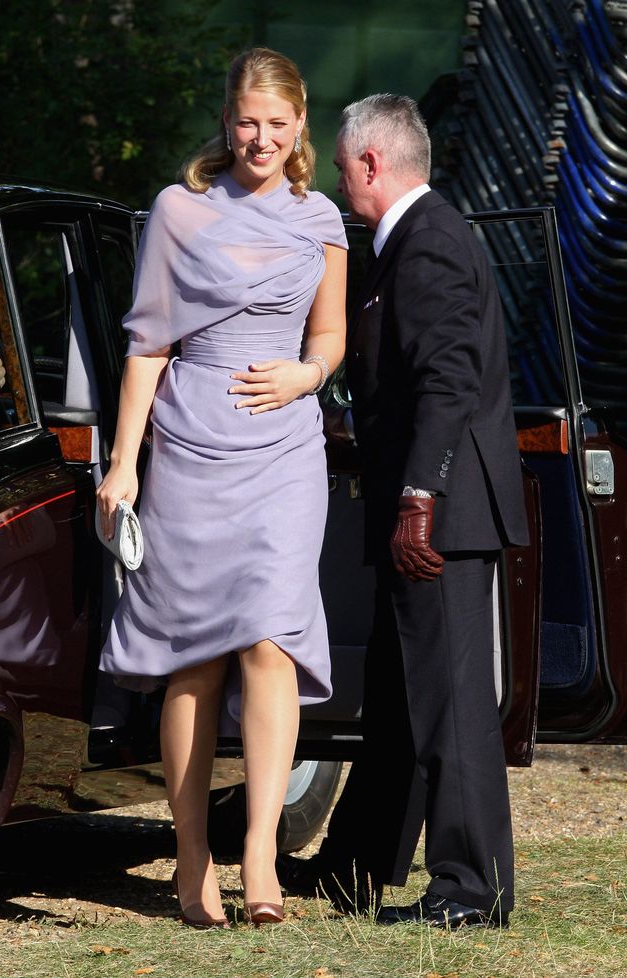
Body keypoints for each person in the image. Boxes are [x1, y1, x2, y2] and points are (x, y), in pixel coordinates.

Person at [96, 48, 347, 928]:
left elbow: (331, 334)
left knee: (272, 640)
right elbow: (148, 346)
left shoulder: (321, 218)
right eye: (248, 122)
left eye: (278, 124)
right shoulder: (179, 210)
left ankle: (262, 856)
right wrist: (123, 463)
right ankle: (193, 855)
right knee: (195, 655)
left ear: (301, 123)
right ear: (227, 120)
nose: (261, 139)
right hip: (191, 446)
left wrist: (306, 375)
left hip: (285, 450)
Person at [278, 94, 529, 929]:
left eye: (341, 165)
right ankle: (354, 868)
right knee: (398, 699)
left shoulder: (429, 243)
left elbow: (449, 381)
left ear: (371, 162)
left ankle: (471, 892)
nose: (338, 179)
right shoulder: (412, 241)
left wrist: (421, 496)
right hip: (424, 509)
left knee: (450, 705)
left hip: (440, 516)